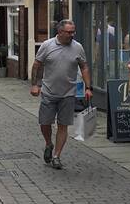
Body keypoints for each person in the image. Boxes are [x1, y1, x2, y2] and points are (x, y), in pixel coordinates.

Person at [31, 19, 91, 169]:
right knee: (45, 123)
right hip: (48, 92)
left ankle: (57, 156)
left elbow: (84, 67)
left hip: (68, 93)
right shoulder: (47, 45)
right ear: (60, 32)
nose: (72, 35)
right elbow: (37, 65)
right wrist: (35, 85)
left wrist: (88, 87)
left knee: (63, 125)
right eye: (69, 32)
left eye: (73, 32)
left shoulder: (78, 47)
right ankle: (48, 143)